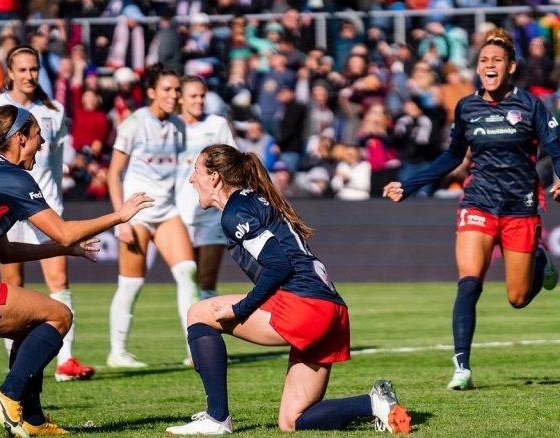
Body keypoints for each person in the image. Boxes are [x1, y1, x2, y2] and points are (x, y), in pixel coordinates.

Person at [0, 105, 152, 436]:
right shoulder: (11, 176)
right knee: (59, 316)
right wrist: (119, 215)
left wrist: (63, 250)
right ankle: (8, 396)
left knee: (30, 327)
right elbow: (62, 230)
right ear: (19, 138)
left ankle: (31, 420)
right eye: (37, 136)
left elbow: (4, 253)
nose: (42, 144)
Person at [166, 144, 411, 435]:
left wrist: (240, 309)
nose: (191, 179)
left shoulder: (235, 211)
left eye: (196, 171)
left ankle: (217, 419)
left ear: (215, 177)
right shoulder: (252, 200)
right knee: (292, 421)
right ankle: (373, 403)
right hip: (331, 308)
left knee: (199, 313)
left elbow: (279, 266)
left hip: (305, 306)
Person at [383, 28, 560, 391]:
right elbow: (453, 156)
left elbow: (558, 153)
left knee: (517, 298)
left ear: (511, 67)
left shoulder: (530, 105)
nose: (489, 65)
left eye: (496, 60)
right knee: (469, 282)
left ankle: (539, 261)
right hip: (478, 202)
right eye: (484, 60)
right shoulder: (467, 107)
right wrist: (410, 184)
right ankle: (462, 368)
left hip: (521, 206)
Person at [0, 45, 96, 382]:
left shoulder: (53, 110)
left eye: (35, 69)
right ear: (10, 73)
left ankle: (65, 361)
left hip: (47, 208)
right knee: (12, 284)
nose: (30, 76)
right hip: (8, 210)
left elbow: (57, 160)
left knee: (59, 280)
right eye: (23, 69)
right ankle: (14, 362)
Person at [106, 63, 199, 368]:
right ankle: (117, 352)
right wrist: (122, 218)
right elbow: (114, 173)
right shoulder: (133, 124)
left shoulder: (178, 126)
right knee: (131, 283)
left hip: (167, 211)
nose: (174, 96)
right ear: (151, 93)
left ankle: (195, 347)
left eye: (176, 90)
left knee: (188, 272)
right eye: (167, 90)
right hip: (137, 213)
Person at [176, 76, 236, 304]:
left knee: (207, 280)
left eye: (202, 95)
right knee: (187, 278)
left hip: (212, 214)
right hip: (179, 215)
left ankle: (206, 333)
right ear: (180, 98)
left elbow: (233, 164)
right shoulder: (171, 126)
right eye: (193, 96)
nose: (199, 101)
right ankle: (192, 333)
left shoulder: (217, 125)